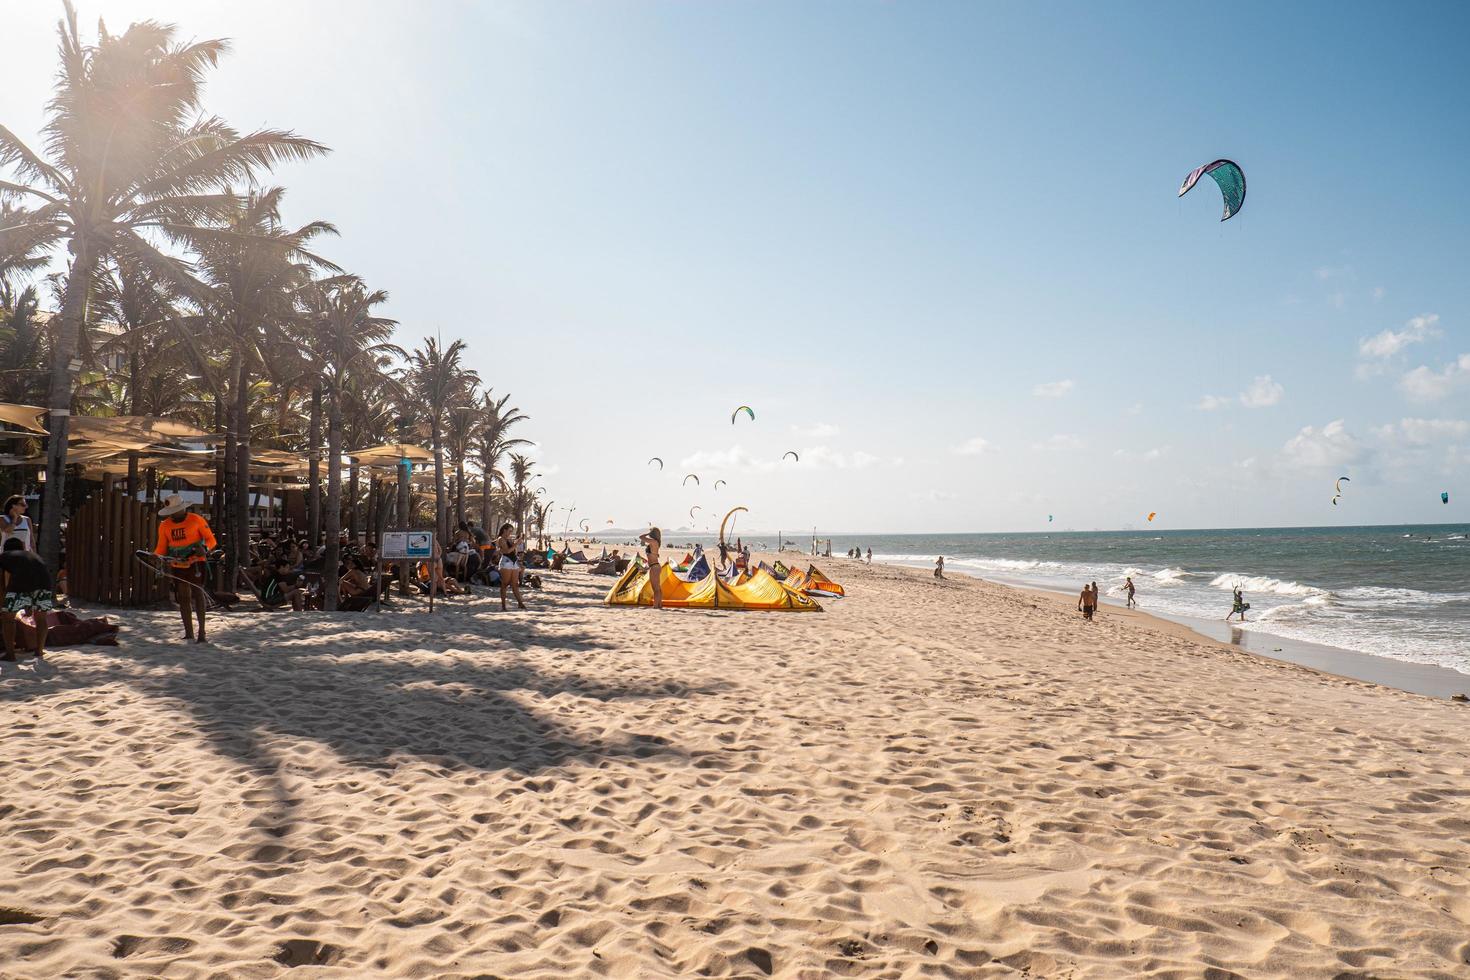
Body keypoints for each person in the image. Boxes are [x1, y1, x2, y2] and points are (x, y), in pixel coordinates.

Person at [153, 494, 215, 642]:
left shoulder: (196, 520)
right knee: (183, 597)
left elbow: (211, 540)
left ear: (182, 508)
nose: (173, 514)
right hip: (177, 563)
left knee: (198, 594)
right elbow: (161, 547)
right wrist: (156, 556)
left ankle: (202, 632)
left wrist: (204, 548)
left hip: (196, 562)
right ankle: (189, 632)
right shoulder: (164, 525)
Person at [1, 537, 52, 660]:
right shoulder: (32, 555)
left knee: (8, 618)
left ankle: (10, 654)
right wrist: (28, 606)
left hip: (20, 584)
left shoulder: (4, 556)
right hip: (45, 583)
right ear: (22, 547)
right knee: (41, 618)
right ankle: (39, 651)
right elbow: (31, 574)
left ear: (4, 549)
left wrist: (3, 602)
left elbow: (2, 582)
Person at [494, 523, 526, 611]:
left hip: (513, 562)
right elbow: (507, 551)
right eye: (509, 531)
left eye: (511, 531)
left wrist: (517, 542)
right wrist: (516, 544)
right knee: (505, 584)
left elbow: (513, 551)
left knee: (515, 584)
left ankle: (520, 603)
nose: (510, 533)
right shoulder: (501, 539)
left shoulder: (508, 539)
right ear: (504, 530)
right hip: (506, 562)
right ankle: (503, 606)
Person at [639, 526, 663, 608]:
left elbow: (641, 537)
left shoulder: (653, 541)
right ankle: (659, 605)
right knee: (658, 588)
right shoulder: (655, 542)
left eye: (651, 532)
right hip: (655, 566)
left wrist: (648, 533)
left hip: (654, 567)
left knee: (655, 588)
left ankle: (656, 606)